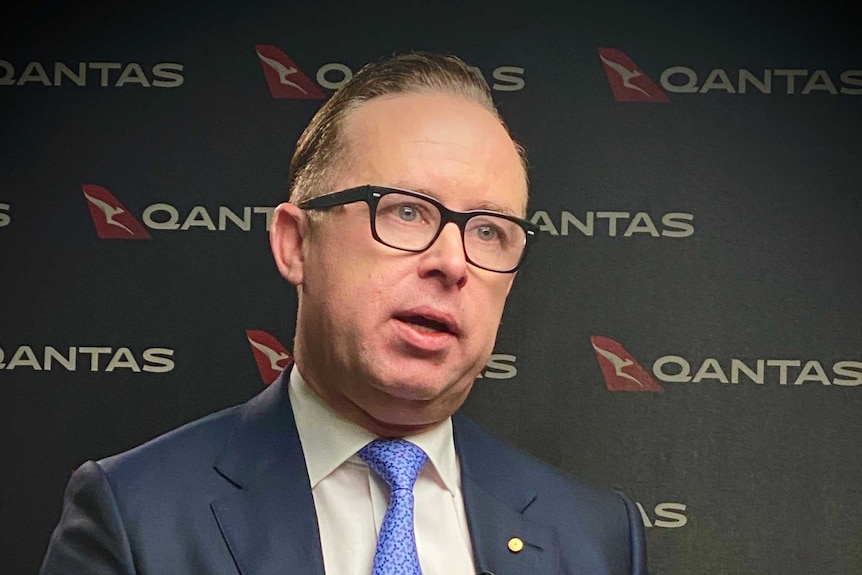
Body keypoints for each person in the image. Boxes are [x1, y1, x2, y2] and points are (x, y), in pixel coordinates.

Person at [41, 52, 647, 575]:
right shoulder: (134, 514)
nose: (452, 263)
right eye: (406, 212)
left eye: (488, 231)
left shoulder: (596, 536)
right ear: (295, 243)